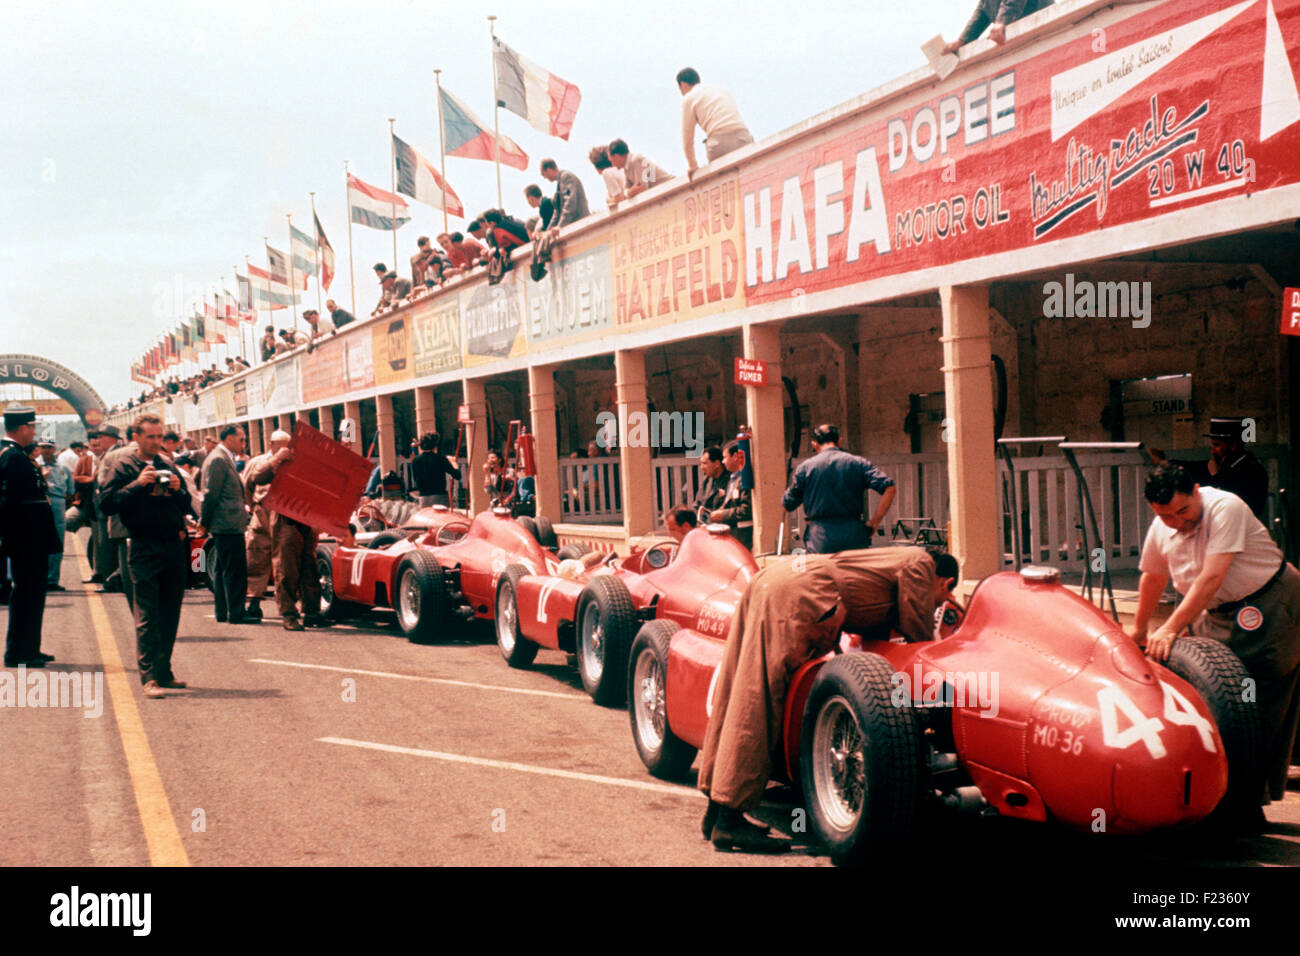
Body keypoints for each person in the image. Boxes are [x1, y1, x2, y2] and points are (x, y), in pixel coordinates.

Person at [698, 547, 959, 851]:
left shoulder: (891, 558)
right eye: (943, 597)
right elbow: (918, 634)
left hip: (779, 579)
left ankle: (715, 811)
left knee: (739, 686)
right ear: (946, 581)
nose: (939, 603)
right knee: (760, 699)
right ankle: (728, 822)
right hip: (803, 591)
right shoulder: (921, 564)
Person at [1127, 463, 1300, 824]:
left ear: (1196, 490)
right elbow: (1153, 576)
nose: (1177, 521)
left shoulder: (1227, 507)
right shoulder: (1163, 526)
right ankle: (1222, 794)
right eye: (1165, 516)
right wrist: (1140, 630)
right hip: (1218, 613)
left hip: (1270, 603)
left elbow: (1211, 576)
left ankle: (1249, 805)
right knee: (1214, 700)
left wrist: (1171, 627)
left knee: (1257, 703)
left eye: (1183, 511)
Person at [98, 413, 195, 699]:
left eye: (159, 436)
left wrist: (179, 491)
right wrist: (138, 484)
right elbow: (107, 503)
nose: (156, 442)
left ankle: (164, 670)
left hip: (173, 544)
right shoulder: (123, 465)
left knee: (170, 611)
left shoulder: (167, 464)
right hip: (143, 545)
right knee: (147, 614)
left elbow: (186, 504)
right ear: (135, 437)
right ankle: (149, 676)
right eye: (150, 437)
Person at [1, 406, 60, 668]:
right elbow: (10, 503)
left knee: (32, 595)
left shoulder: (16, 455)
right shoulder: (12, 457)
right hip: (26, 540)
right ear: (22, 428)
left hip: (30, 539)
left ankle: (29, 647)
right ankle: (19, 653)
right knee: (27, 595)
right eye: (32, 427)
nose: (34, 432)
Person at [245, 444, 325, 631]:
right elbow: (257, 477)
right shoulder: (281, 461)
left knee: (309, 567)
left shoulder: (311, 464)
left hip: (308, 517)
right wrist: (277, 459)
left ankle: (312, 612)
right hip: (285, 517)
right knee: (286, 567)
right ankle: (288, 613)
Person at [782, 424, 897, 553]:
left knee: (823, 572)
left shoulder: (805, 468)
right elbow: (890, 488)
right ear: (839, 441)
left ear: (814, 444)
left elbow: (787, 506)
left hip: (819, 539)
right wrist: (874, 522)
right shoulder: (858, 463)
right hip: (853, 536)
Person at [1149, 418, 1270, 524]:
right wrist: (1163, 462)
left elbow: (1232, 506)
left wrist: (1216, 476)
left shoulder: (1254, 472)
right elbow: (1192, 468)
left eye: (1216, 445)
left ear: (1233, 446)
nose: (1212, 451)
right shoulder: (1226, 466)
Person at [201, 424, 250, 624]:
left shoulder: (223, 457)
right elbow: (210, 495)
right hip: (226, 523)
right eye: (241, 439)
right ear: (229, 438)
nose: (244, 443)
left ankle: (224, 611)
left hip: (227, 522)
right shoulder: (219, 459)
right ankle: (236, 612)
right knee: (234, 570)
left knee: (222, 569)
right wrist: (204, 522)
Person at [242, 429, 290, 622]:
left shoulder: (292, 461)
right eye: (280, 445)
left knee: (285, 560)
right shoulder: (257, 462)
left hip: (283, 515)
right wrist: (253, 507)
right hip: (262, 512)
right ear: (271, 445)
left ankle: (288, 605)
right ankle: (254, 602)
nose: (284, 449)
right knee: (256, 557)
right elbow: (246, 485)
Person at [677, 67, 753, 172]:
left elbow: (687, 139)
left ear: (683, 85)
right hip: (743, 138)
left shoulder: (689, 97)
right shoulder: (720, 89)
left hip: (719, 144)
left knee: (723, 183)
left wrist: (693, 166)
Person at [942, 0, 1053, 51]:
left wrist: (1001, 21)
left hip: (1045, 32)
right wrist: (963, 40)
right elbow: (984, 6)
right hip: (1024, 42)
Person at [90, 424, 124, 591]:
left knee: (108, 547)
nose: (99, 440)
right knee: (105, 546)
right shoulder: (107, 454)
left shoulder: (114, 454)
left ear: (111, 438)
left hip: (109, 509)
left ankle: (111, 581)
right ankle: (109, 578)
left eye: (102, 436)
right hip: (103, 509)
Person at [38, 441, 73, 591]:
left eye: (49, 447)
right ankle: (38, 578)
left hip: (58, 502)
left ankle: (52, 579)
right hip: (39, 501)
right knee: (38, 541)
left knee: (57, 540)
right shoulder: (34, 465)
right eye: (43, 447)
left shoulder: (63, 468)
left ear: (54, 448)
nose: (46, 450)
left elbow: (71, 489)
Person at [709, 440, 753, 551]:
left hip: (742, 537)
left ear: (735, 456)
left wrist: (723, 514)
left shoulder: (744, 479)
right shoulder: (733, 479)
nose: (723, 461)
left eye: (725, 457)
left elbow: (746, 510)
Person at [608, 138, 672, 199]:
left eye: (611, 161)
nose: (612, 165)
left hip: (673, 189)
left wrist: (629, 192)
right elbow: (625, 192)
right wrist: (630, 192)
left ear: (616, 156)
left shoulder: (636, 160)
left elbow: (641, 188)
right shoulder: (627, 168)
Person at [539, 159, 589, 233]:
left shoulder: (566, 177)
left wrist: (560, 226)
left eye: (544, 175)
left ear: (548, 170)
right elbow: (557, 212)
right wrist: (547, 232)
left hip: (581, 224)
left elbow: (570, 203)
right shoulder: (560, 182)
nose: (545, 178)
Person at [412, 433, 460, 507]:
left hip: (423, 498)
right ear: (435, 445)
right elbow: (457, 475)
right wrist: (454, 463)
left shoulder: (416, 460)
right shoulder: (440, 459)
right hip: (440, 497)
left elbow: (415, 479)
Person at [692, 445, 728, 523]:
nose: (701, 467)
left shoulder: (729, 480)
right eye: (701, 464)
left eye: (705, 463)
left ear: (717, 464)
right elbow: (697, 504)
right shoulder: (706, 481)